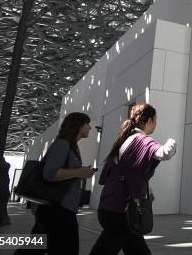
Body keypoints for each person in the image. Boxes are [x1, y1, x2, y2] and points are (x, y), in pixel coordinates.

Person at [89, 103, 176, 255]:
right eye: (155, 119)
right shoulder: (141, 139)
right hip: (122, 211)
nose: (156, 123)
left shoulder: (123, 141)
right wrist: (171, 141)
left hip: (109, 207)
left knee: (137, 250)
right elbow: (165, 153)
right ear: (149, 120)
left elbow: (112, 176)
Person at [16, 112, 96, 255]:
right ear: (78, 126)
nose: (90, 128)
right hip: (57, 209)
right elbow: (50, 173)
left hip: (56, 207)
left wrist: (81, 172)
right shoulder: (62, 144)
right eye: (87, 124)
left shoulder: (70, 146)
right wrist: (79, 172)